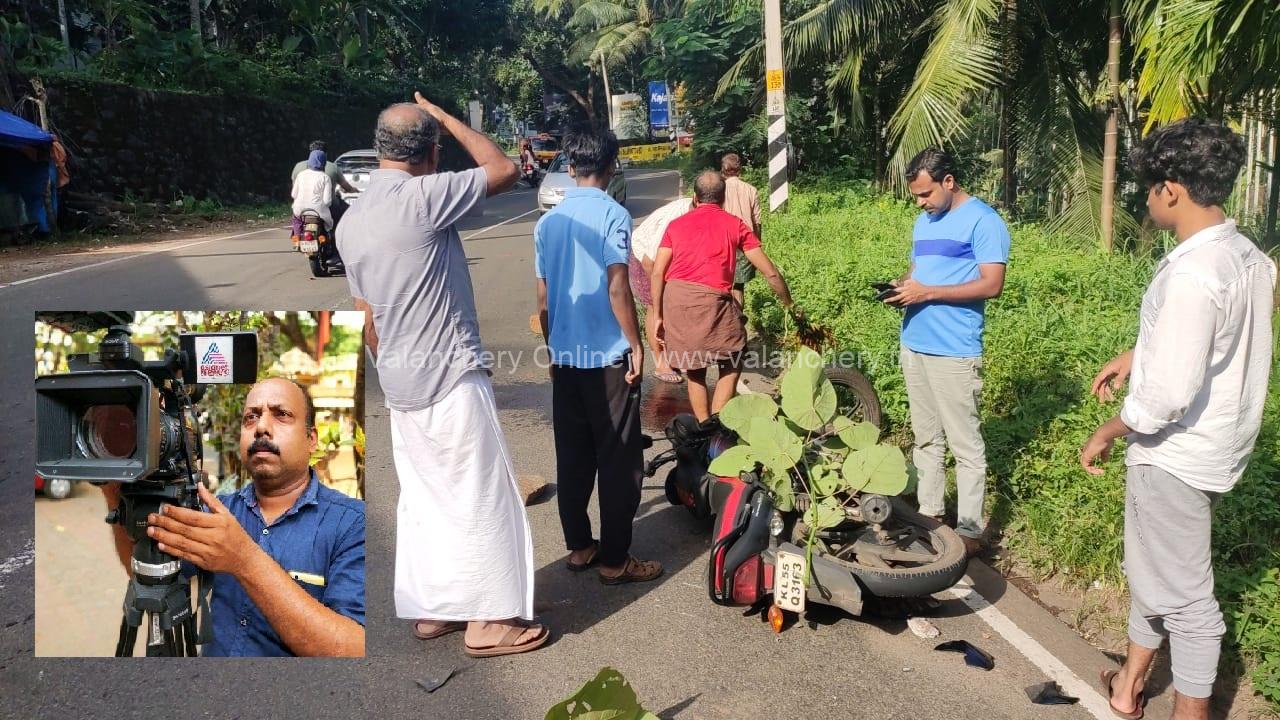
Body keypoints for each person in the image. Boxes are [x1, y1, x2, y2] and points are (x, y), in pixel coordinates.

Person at [337, 93, 548, 657]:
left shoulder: (351, 221)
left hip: (400, 381)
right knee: (480, 494)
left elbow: (365, 318)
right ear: (431, 152)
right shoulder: (424, 197)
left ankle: (436, 611)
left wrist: (392, 368)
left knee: (427, 497)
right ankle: (488, 622)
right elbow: (503, 169)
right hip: (449, 374)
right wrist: (452, 119)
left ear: (379, 149)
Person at [1081, 118, 1275, 720]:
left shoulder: (1193, 273)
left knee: (1190, 602)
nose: (1145, 198)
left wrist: (1111, 429)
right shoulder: (1244, 255)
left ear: (1172, 189)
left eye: (1149, 187)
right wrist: (1135, 353)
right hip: (1216, 448)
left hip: (1174, 454)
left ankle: (1188, 713)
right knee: (1155, 567)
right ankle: (1129, 686)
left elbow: (1164, 396)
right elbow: (1210, 342)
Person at [102, 378, 366, 657]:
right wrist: (113, 494)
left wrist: (243, 559)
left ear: (311, 439)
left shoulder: (352, 524)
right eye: (251, 417)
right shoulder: (217, 511)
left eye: (282, 415)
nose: (262, 426)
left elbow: (352, 649)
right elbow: (145, 571)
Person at [534, 126, 663, 586]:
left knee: (572, 455)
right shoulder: (614, 215)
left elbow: (543, 296)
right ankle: (614, 559)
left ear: (570, 168)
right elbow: (617, 286)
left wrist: (552, 351)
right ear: (611, 167)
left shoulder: (548, 222)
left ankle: (580, 547)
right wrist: (636, 343)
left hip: (567, 356)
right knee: (617, 458)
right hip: (607, 358)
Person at [884, 148, 1009, 557]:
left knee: (964, 443)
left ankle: (971, 531)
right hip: (915, 342)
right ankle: (931, 516)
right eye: (916, 196)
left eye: (925, 194)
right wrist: (901, 287)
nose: (920, 203)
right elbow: (918, 271)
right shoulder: (925, 221)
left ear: (949, 181)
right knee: (926, 439)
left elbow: (992, 284)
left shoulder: (984, 222)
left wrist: (929, 292)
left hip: (954, 350)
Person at [651, 170, 796, 422]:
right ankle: (717, 424)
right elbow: (770, 272)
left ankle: (704, 425)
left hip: (676, 299)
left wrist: (658, 316)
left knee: (694, 367)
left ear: (695, 198)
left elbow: (657, 272)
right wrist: (788, 303)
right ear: (723, 198)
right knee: (735, 354)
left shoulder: (675, 226)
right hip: (710, 300)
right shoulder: (734, 224)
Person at [630, 192, 692, 383]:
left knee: (674, 305)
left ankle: (674, 356)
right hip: (645, 259)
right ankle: (661, 362)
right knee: (655, 306)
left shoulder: (704, 211)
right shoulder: (674, 219)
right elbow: (650, 262)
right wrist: (659, 290)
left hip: (669, 259)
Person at [720, 153, 762, 310]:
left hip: (723, 243)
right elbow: (757, 222)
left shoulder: (719, 189)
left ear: (723, 171)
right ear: (740, 170)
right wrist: (757, 244)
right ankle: (738, 321)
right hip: (745, 244)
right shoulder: (751, 190)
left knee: (722, 285)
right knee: (738, 287)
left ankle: (725, 322)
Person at [290, 149, 334, 249]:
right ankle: (326, 243)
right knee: (328, 227)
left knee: (296, 221)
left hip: (300, 210)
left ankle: (296, 241)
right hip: (318, 212)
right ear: (324, 162)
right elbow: (327, 201)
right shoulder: (325, 177)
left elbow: (293, 194)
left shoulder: (301, 174)